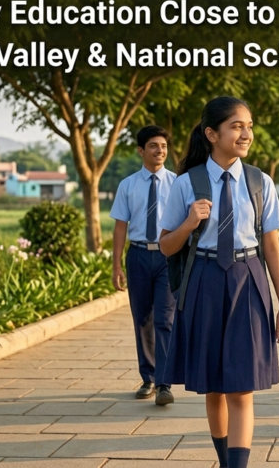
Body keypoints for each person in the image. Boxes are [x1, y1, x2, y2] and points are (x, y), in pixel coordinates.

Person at [159, 97, 279, 468]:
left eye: (249, 126)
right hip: (203, 282)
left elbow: (271, 247)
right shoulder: (187, 184)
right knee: (214, 388)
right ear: (211, 134)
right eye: (237, 126)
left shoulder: (260, 182)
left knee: (241, 386)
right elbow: (166, 246)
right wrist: (189, 222)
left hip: (248, 280)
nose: (246, 133)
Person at [110, 125, 178, 404]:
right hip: (138, 255)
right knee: (142, 319)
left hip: (167, 257)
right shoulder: (128, 185)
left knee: (165, 318)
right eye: (153, 146)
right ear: (141, 150)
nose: (159, 151)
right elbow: (120, 227)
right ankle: (148, 378)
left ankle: (164, 383)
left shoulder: (178, 183)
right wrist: (116, 265)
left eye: (163, 146)